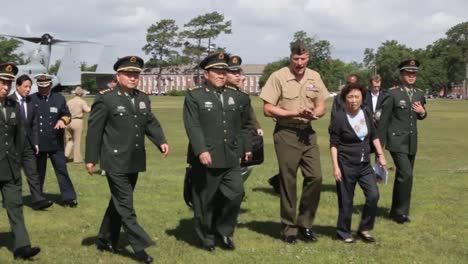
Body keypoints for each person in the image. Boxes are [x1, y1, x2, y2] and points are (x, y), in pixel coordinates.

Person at [85, 56, 169, 263]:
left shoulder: (142, 98)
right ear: (118, 75)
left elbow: (149, 121)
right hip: (114, 160)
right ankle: (140, 247)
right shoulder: (106, 99)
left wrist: (161, 141)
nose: (133, 78)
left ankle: (104, 239)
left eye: (136, 74)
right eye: (129, 74)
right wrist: (91, 158)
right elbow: (94, 131)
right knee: (126, 203)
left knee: (118, 202)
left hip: (134, 159)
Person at [260, 41, 329, 244]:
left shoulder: (314, 76)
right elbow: (268, 109)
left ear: (308, 58)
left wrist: (313, 113)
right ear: (291, 57)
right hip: (286, 132)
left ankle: (305, 224)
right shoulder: (279, 76)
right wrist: (294, 113)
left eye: (303, 58)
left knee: (315, 177)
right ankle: (289, 228)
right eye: (296, 58)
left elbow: (322, 105)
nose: (300, 62)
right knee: (288, 181)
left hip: (307, 133)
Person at [183, 52, 252, 251]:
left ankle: (224, 232)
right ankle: (206, 237)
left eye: (224, 72)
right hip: (207, 157)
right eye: (217, 72)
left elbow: (245, 124)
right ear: (206, 74)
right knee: (205, 200)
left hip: (231, 156)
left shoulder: (237, 96)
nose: (222, 75)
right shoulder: (195, 95)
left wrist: (246, 147)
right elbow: (193, 125)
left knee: (235, 194)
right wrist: (201, 150)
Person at [329, 83, 387, 243]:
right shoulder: (339, 117)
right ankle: (343, 232)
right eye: (350, 97)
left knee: (373, 195)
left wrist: (381, 155)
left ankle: (365, 229)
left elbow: (374, 135)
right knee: (346, 200)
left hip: (365, 165)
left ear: (362, 98)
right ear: (344, 99)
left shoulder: (367, 112)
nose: (353, 100)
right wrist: (335, 167)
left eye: (357, 97)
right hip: (345, 164)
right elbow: (333, 144)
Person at [378, 59, 427, 224]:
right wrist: (380, 147)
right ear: (401, 75)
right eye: (408, 73)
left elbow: (420, 115)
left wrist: (422, 113)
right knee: (406, 174)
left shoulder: (419, 94)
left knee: (404, 176)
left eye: (414, 73)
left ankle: (399, 211)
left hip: (412, 141)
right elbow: (383, 121)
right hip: (396, 140)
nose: (412, 76)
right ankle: (399, 213)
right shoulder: (393, 94)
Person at [0, 62, 41, 260]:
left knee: (15, 206)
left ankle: (22, 246)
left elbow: (18, 137)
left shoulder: (13, 105)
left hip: (10, 167)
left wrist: (17, 161)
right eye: (1, 82)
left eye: (8, 83)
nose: (5, 87)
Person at [31, 73, 78, 207]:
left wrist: (63, 120)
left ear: (50, 85)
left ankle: (69, 198)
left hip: (55, 142)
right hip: (38, 143)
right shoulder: (31, 99)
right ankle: (37, 198)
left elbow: (67, 114)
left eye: (45, 86)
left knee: (62, 170)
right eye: (40, 86)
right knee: (38, 173)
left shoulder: (59, 99)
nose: (43, 89)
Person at [9, 74, 53, 210]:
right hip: (13, 145)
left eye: (30, 87)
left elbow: (34, 124)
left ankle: (38, 199)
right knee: (13, 174)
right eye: (25, 86)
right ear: (18, 86)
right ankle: (13, 200)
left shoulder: (30, 101)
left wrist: (36, 143)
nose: (28, 89)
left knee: (33, 172)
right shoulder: (8, 101)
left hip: (28, 144)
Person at [226, 55, 263, 179]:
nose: (237, 75)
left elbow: (248, 114)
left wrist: (256, 126)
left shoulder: (242, 95)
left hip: (240, 138)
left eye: (238, 72)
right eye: (233, 72)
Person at [64, 86, 91, 163]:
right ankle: (77, 159)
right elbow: (87, 110)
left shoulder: (69, 101)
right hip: (77, 121)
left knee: (70, 140)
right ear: (81, 93)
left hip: (68, 121)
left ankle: (65, 155)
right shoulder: (82, 102)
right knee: (77, 140)